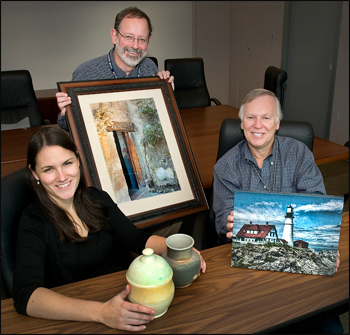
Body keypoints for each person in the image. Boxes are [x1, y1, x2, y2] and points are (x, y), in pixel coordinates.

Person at [13, 127, 206, 332]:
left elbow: (137, 238)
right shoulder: (33, 222)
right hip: (82, 316)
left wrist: (180, 251)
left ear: (78, 160)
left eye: (67, 163)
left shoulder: (97, 198)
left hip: (127, 299)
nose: (61, 176)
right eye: (48, 169)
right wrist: (102, 313)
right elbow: (26, 295)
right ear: (34, 173)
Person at [213, 88, 342, 334]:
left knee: (328, 328)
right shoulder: (225, 167)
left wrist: (322, 250)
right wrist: (229, 224)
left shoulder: (299, 153)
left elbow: (315, 200)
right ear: (241, 123)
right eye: (250, 117)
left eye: (266, 117)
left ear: (278, 123)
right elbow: (222, 222)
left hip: (299, 270)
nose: (257, 125)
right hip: (248, 270)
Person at [56, 6, 174, 132]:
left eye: (141, 39)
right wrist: (66, 113)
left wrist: (167, 96)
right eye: (128, 37)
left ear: (148, 41)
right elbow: (67, 127)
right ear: (114, 36)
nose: (135, 45)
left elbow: (155, 120)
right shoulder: (86, 73)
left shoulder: (150, 68)